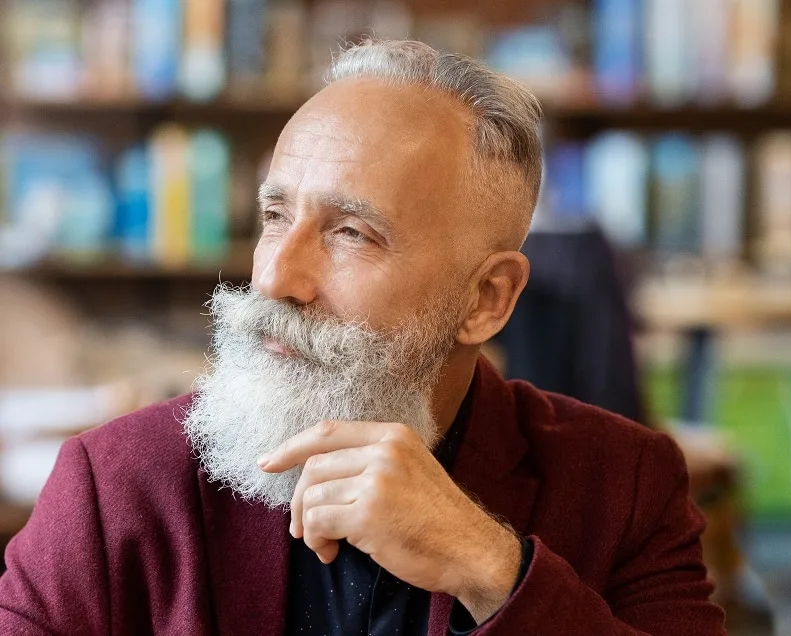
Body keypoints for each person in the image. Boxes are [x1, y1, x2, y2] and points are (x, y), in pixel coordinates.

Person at [0, 40, 725, 635]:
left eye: (351, 233)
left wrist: (491, 569)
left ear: (486, 299)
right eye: (275, 216)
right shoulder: (115, 486)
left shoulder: (623, 484)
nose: (276, 277)